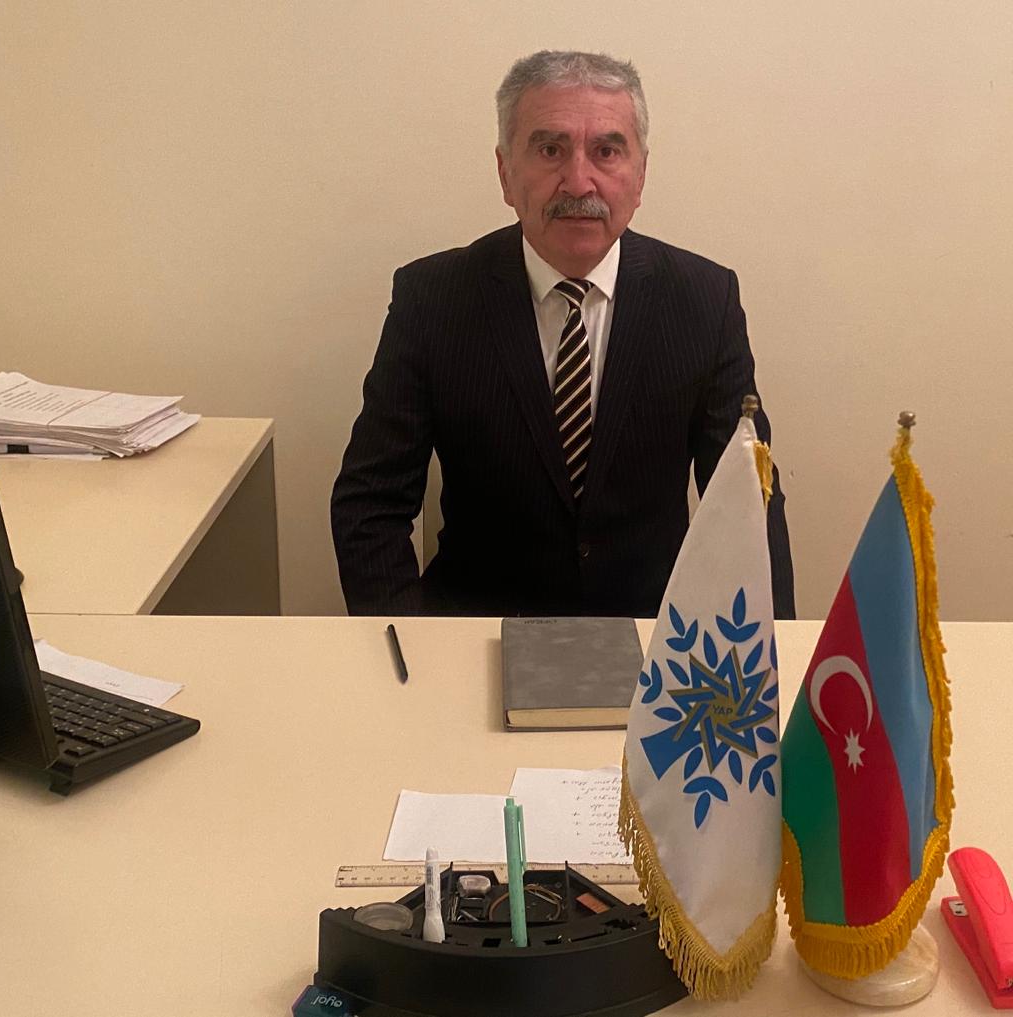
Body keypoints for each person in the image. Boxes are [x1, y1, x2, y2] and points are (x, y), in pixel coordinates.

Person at [332, 50, 795, 619]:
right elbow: (370, 504)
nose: (579, 181)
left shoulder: (705, 299)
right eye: (550, 150)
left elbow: (750, 504)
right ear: (506, 173)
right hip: (475, 632)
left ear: (640, 175)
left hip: (655, 635)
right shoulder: (434, 298)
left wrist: (765, 649)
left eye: (607, 151)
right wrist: (406, 641)